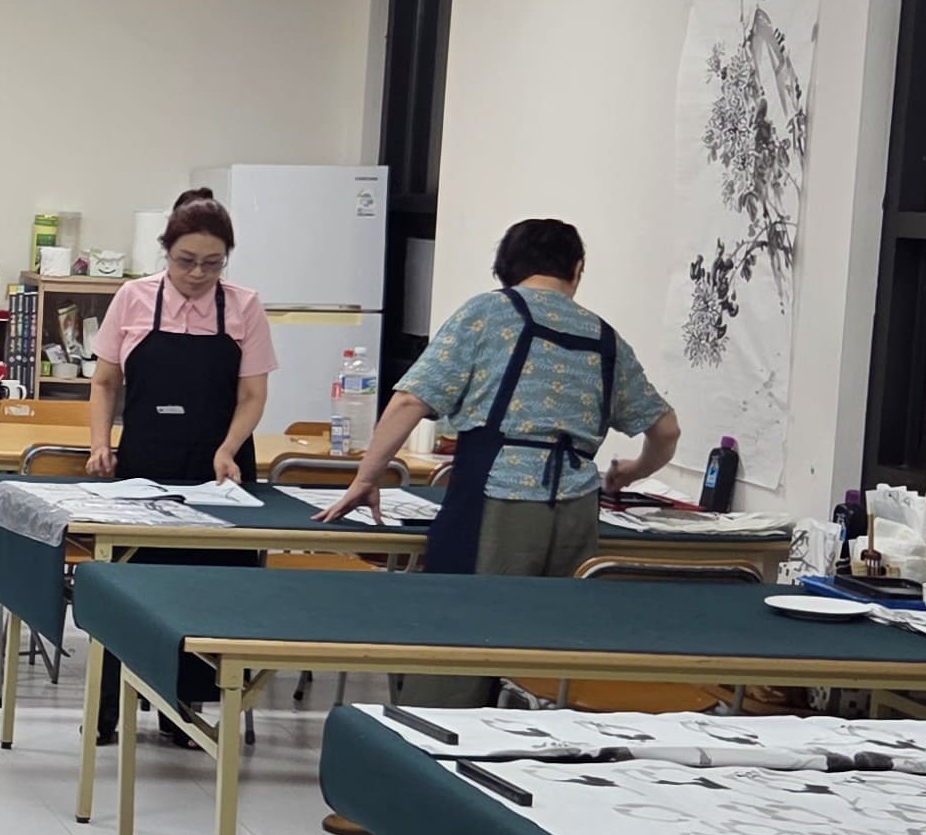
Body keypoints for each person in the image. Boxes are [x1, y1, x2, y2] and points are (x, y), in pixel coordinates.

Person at [321, 219, 675, 706]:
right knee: (551, 652)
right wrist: (632, 472)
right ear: (577, 270)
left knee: (464, 634)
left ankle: (437, 736)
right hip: (576, 510)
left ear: (505, 269)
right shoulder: (605, 337)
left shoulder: (488, 313)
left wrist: (366, 477)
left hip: (497, 500)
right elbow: (666, 429)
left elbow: (410, 400)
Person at [86, 190, 276, 486]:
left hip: (222, 471)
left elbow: (253, 395)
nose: (198, 273)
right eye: (186, 261)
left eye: (213, 263)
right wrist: (100, 445)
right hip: (143, 464)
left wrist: (227, 450)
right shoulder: (133, 297)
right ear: (167, 252)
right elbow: (105, 382)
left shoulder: (245, 305)